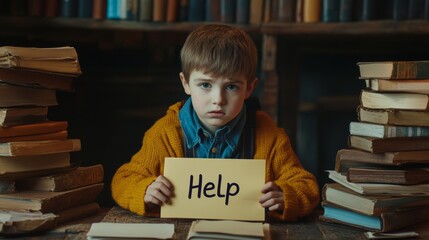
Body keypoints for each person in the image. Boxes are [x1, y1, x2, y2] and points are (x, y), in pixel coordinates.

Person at [111, 24, 320, 221]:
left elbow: (306, 186)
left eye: (231, 87)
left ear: (249, 88)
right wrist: (144, 190)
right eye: (205, 85)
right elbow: (123, 179)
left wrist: (285, 195)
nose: (218, 99)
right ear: (186, 83)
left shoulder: (269, 136)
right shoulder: (165, 133)